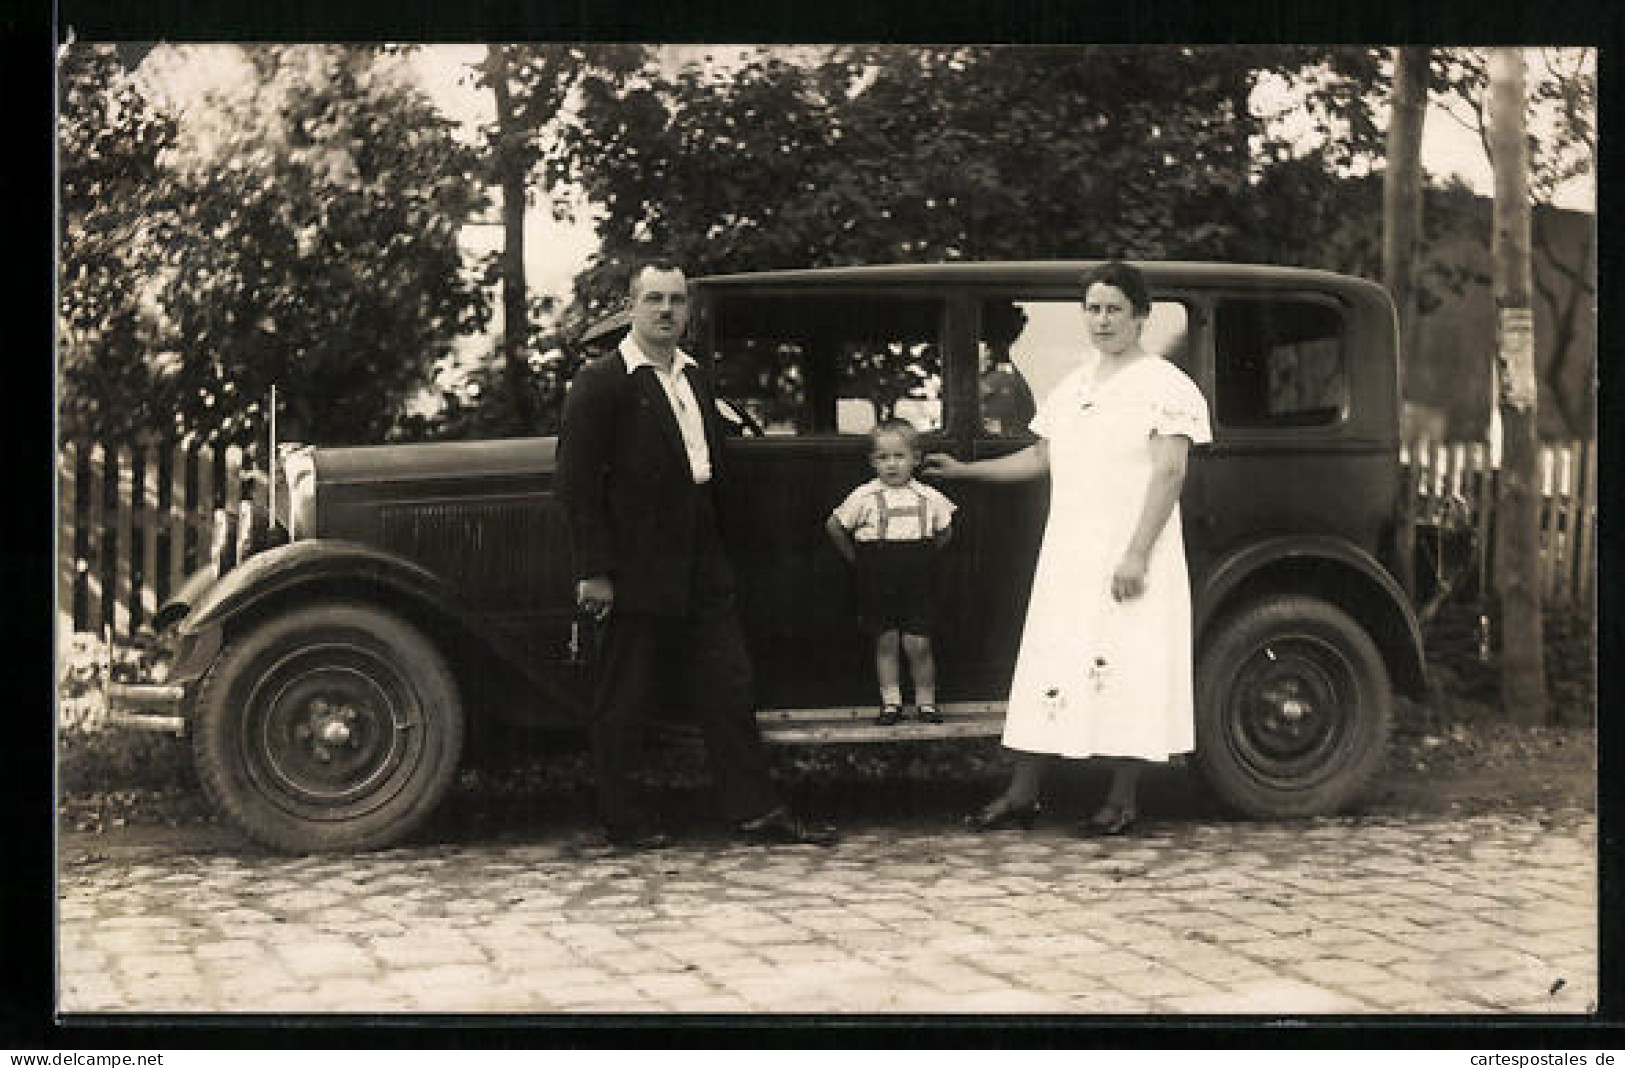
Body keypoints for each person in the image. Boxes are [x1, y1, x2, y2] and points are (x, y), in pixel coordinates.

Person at [555, 258, 837, 850]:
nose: (665, 311)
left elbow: (710, 467)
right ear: (631, 306)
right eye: (654, 299)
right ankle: (621, 819)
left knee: (728, 685)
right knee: (625, 692)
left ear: (687, 310)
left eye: (676, 301)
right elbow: (576, 484)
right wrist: (595, 571)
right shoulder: (603, 381)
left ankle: (754, 810)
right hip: (636, 561)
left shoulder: (694, 377)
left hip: (703, 555)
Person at [922, 261, 1211, 837]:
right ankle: (1023, 792)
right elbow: (1040, 457)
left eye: (1114, 310)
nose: (1102, 321)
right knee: (1051, 663)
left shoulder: (1166, 385)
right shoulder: (1077, 382)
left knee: (1126, 665)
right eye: (1094, 309)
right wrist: (968, 471)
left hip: (1132, 551)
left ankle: (1123, 797)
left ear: (1141, 317)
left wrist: (1135, 554)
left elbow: (1171, 472)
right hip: (1071, 551)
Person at [824, 417, 958, 726]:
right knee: (885, 640)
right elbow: (834, 526)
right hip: (877, 577)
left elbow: (945, 532)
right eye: (883, 458)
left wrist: (921, 558)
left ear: (916, 459)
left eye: (899, 456)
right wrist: (858, 560)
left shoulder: (929, 497)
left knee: (918, 642)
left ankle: (926, 702)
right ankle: (891, 702)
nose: (892, 465)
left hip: (918, 578)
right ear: (872, 462)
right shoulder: (863, 497)